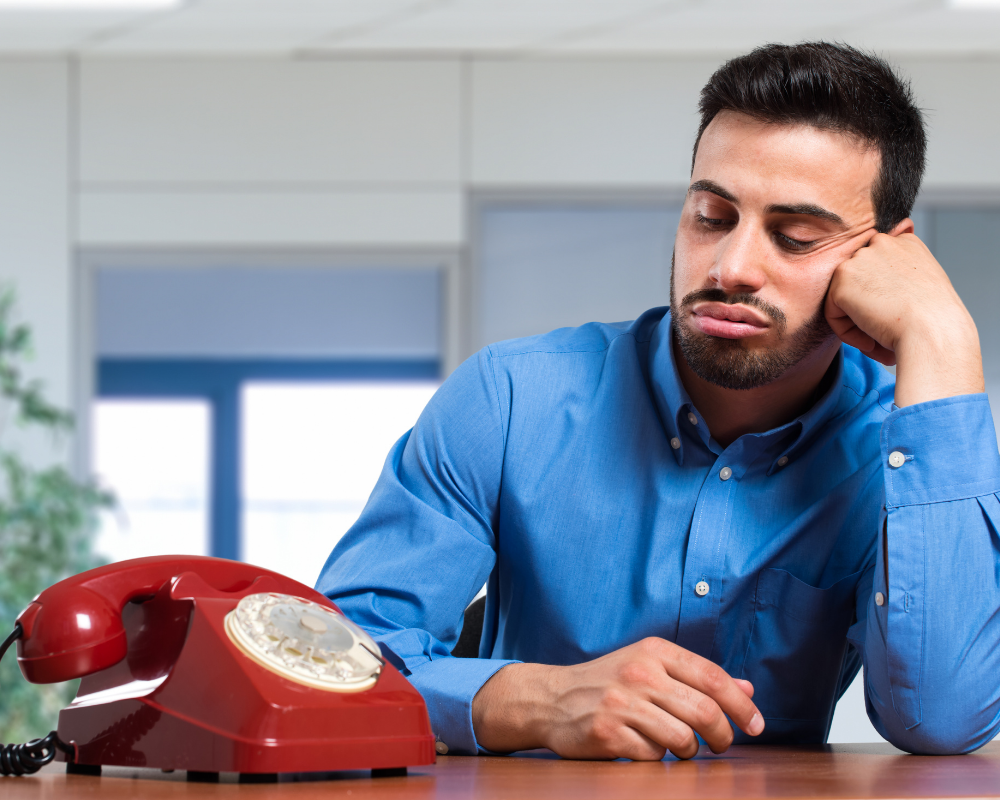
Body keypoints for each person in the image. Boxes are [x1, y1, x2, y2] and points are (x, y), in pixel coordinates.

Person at [316, 42, 1000, 760]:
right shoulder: (510, 400)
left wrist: (941, 337)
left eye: (795, 237)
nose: (731, 268)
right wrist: (530, 699)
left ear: (889, 258)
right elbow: (329, 667)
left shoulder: (902, 459)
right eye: (711, 215)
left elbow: (944, 719)